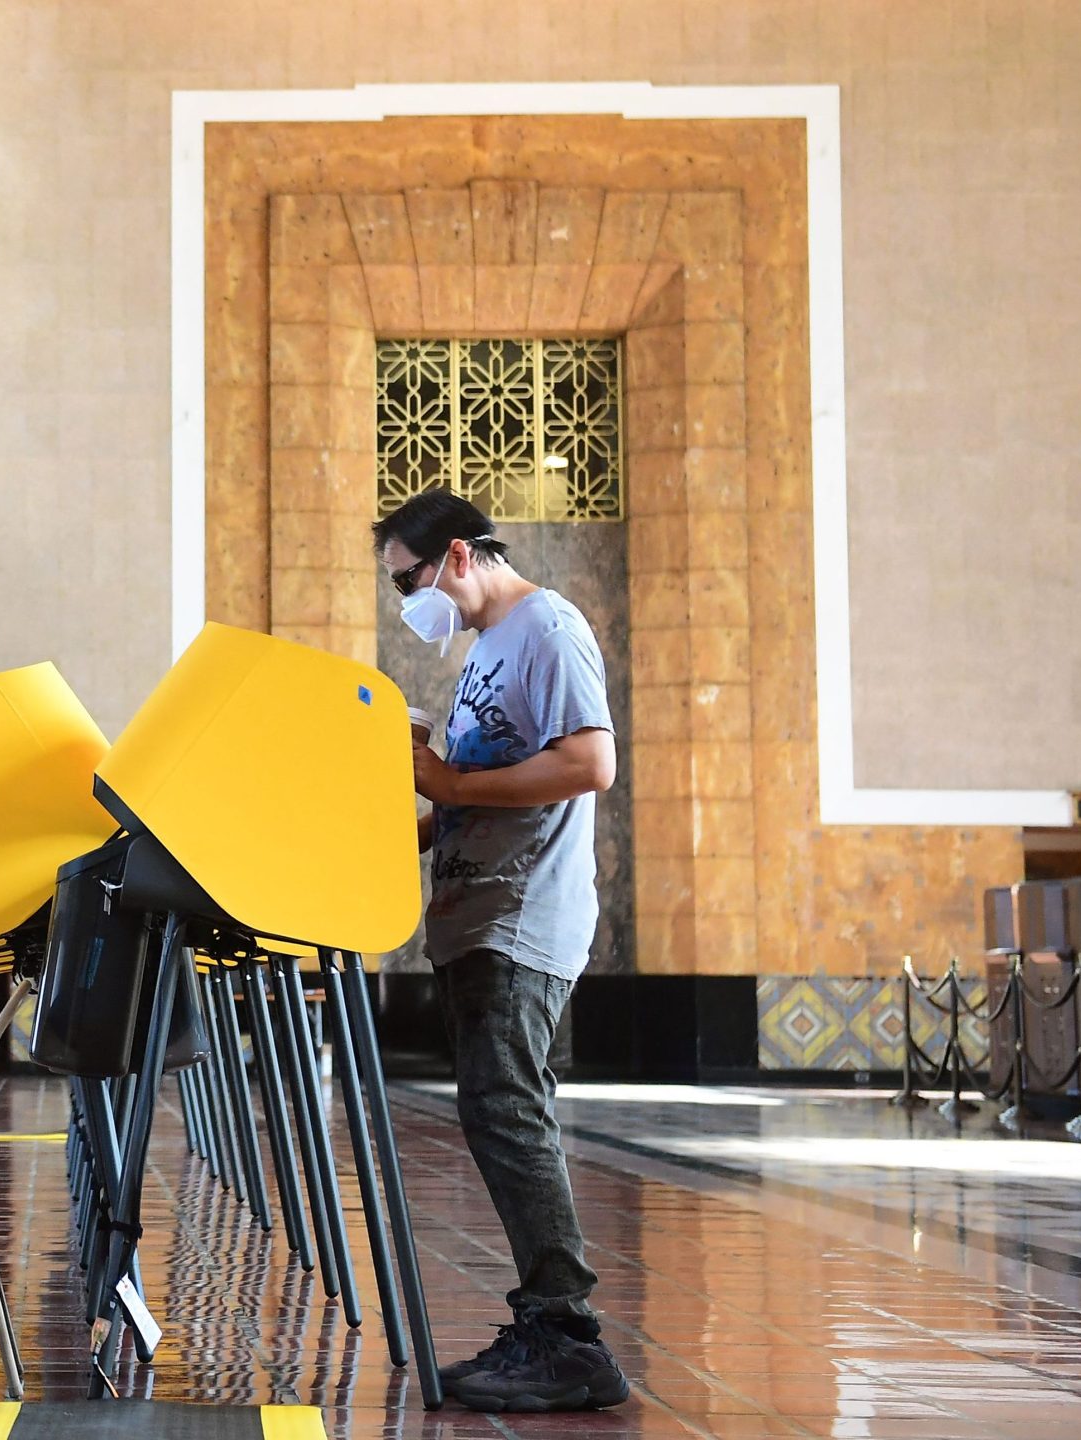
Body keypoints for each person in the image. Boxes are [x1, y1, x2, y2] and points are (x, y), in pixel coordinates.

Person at [371, 490, 626, 1413]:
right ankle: (552, 1322)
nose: (406, 596)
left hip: (524, 915)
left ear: (458, 557)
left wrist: (448, 776)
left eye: (409, 577)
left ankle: (567, 1334)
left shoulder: (545, 627)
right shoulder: (484, 652)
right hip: (476, 912)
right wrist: (416, 822)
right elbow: (475, 792)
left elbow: (590, 762)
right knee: (496, 1108)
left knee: (507, 1109)